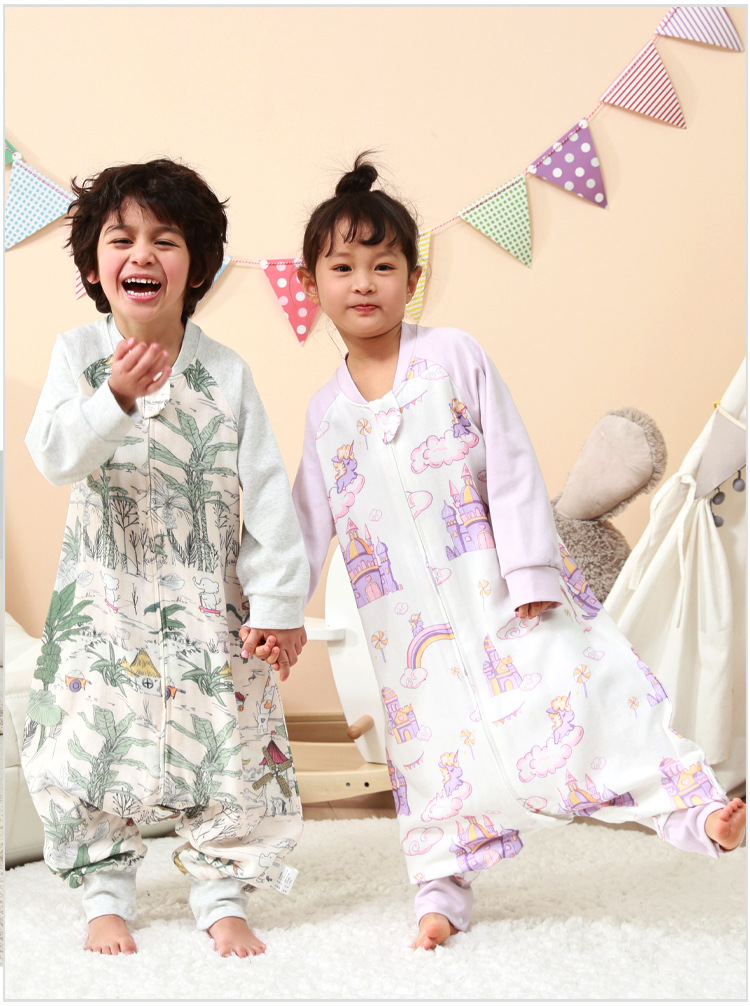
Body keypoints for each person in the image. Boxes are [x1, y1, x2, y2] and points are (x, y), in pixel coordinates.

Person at [260, 153, 745, 951]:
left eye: (383, 265)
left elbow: (513, 462)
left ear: (411, 279)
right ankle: (440, 889)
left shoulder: (453, 357)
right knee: (430, 755)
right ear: (312, 286)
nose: (363, 283)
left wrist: (529, 570)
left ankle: (690, 810)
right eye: (342, 267)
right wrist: (279, 613)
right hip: (407, 632)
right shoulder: (325, 412)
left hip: (505, 591)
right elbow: (307, 519)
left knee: (590, 692)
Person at [23, 158, 308, 958]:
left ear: (200, 267)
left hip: (209, 605)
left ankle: (223, 893)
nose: (142, 253)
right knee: (88, 743)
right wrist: (111, 398)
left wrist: (279, 605)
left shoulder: (226, 372)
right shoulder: (79, 356)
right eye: (122, 239)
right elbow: (54, 457)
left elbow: (268, 495)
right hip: (103, 605)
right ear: (94, 268)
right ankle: (104, 892)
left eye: (166, 239)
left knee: (231, 744)